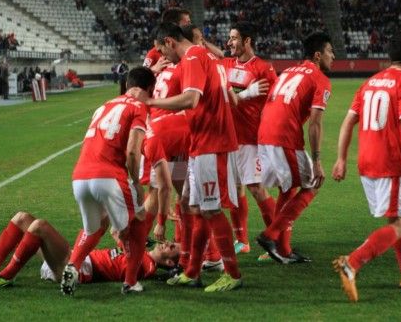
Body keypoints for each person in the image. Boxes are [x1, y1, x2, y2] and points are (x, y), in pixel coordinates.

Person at [331, 30, 401, 302]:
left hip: (365, 162)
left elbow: (347, 123)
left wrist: (341, 159)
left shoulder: (369, 83)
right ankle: (351, 263)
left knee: (398, 219)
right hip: (389, 163)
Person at [143, 22, 242, 292]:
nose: (164, 57)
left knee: (210, 208)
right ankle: (192, 271)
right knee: (190, 204)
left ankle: (232, 273)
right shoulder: (201, 56)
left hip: (213, 142)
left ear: (170, 42)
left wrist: (150, 103)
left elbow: (190, 100)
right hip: (201, 143)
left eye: (162, 49)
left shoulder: (195, 56)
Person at [60, 66, 156, 296]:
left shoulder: (105, 105)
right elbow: (133, 152)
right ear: (150, 89)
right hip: (109, 175)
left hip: (80, 176)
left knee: (94, 227)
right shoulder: (139, 107)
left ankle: (73, 266)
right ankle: (131, 281)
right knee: (139, 222)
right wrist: (135, 184)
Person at [256, 32, 335, 264]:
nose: (334, 56)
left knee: (287, 189)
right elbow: (315, 124)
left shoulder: (288, 71)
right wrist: (318, 160)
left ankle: (284, 249)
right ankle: (270, 236)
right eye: (330, 52)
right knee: (313, 182)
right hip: (283, 137)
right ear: (318, 55)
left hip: (265, 133)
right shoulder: (320, 79)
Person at [0, 212, 180, 289]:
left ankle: (5, 277)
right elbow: (114, 231)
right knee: (22, 218)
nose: (167, 242)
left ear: (169, 263)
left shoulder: (147, 266)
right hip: (73, 258)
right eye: (171, 241)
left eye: (171, 248)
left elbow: (114, 231)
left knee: (40, 226)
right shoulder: (141, 252)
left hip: (74, 270)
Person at [221, 21, 276, 255]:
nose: (229, 42)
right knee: (235, 189)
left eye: (234, 38)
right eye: (230, 38)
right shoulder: (224, 64)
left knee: (256, 187)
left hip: (250, 138)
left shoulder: (263, 68)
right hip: (227, 137)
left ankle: (277, 240)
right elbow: (224, 95)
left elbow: (274, 104)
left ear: (247, 41)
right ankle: (242, 241)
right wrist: (244, 94)